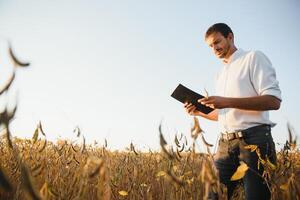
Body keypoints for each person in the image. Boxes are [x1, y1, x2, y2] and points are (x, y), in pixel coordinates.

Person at [184, 23, 281, 200]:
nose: (214, 48)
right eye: (210, 46)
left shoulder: (253, 58)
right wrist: (198, 112)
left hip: (254, 141)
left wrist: (226, 101)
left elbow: (273, 101)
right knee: (213, 196)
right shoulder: (220, 74)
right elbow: (224, 114)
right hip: (224, 145)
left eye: (217, 42)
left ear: (230, 37)